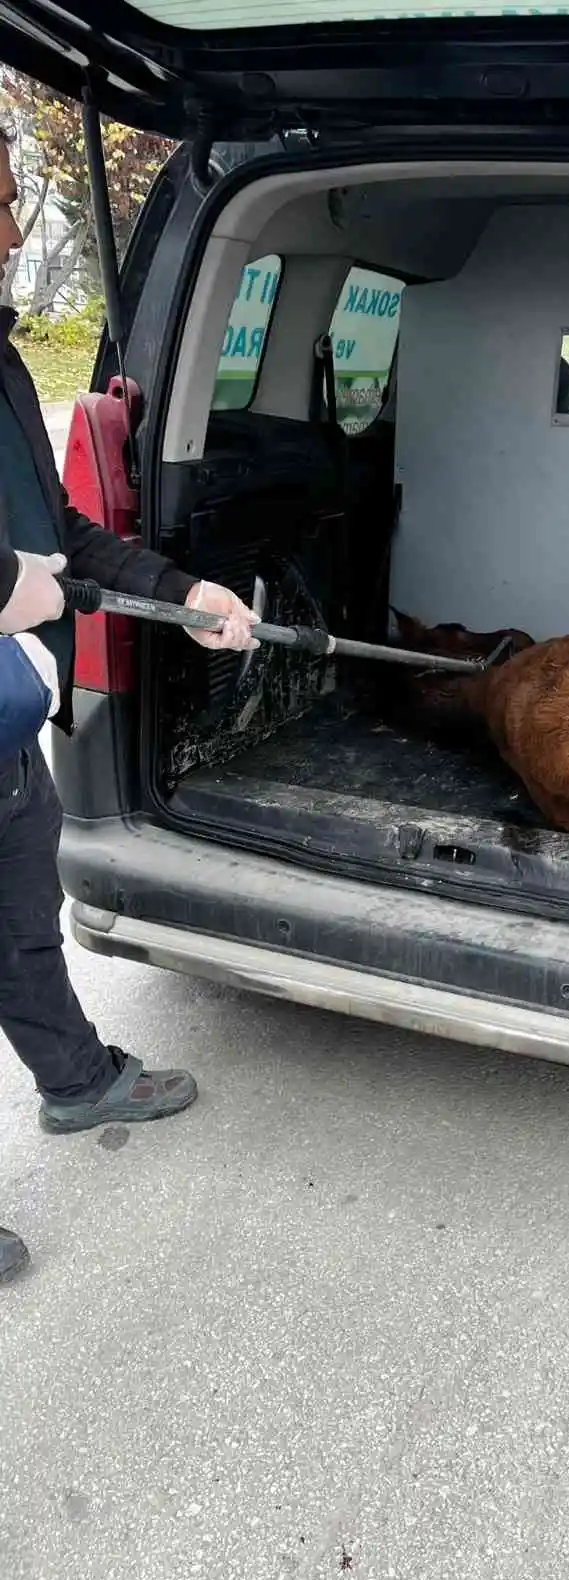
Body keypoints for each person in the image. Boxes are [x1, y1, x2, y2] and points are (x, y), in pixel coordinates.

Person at [0, 130, 257, 1285]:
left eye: (12, 203)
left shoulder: (1, 366)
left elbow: (61, 538)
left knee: (20, 908)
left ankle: (77, 1082)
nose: (12, 235)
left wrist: (181, 591)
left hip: (6, 720)